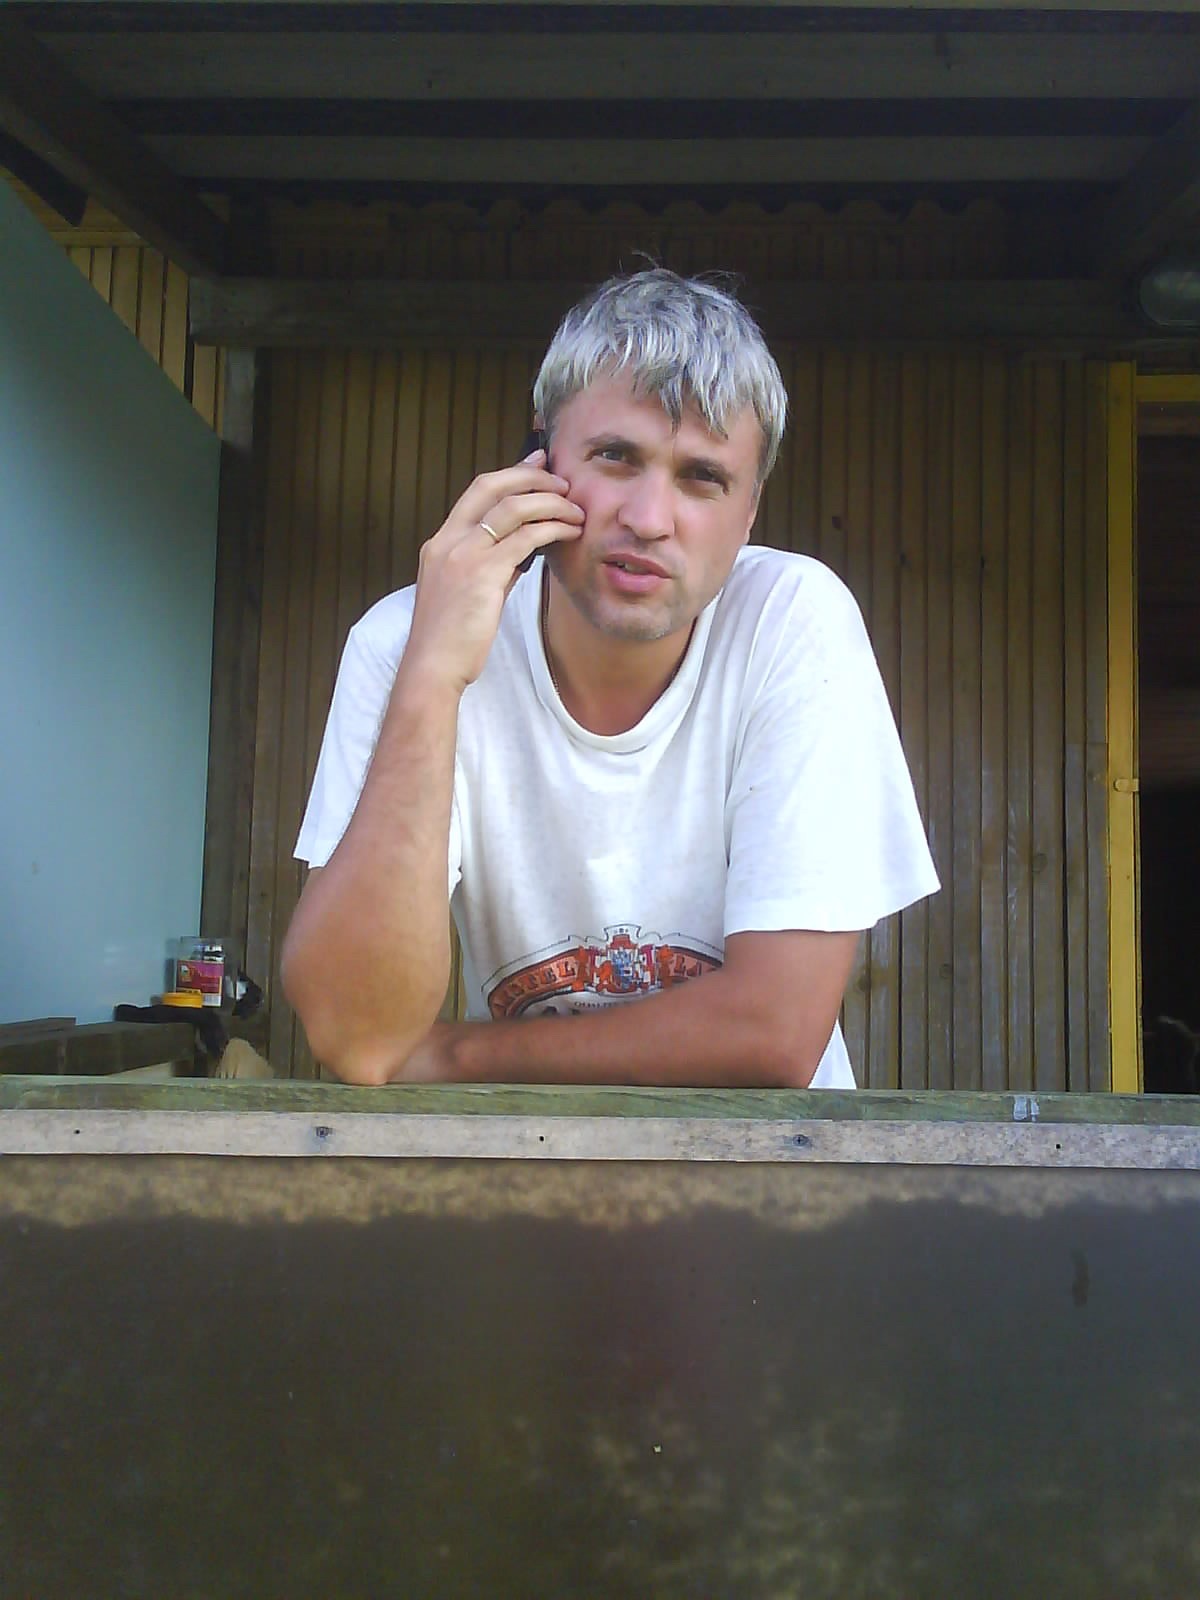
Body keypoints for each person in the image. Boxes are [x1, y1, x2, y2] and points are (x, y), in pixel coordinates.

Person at [283, 269, 938, 1088]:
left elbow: (774, 1033)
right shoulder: (406, 640)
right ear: (540, 458)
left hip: (771, 1166)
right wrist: (432, 681)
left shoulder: (792, 618)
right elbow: (354, 1032)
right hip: (531, 1161)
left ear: (749, 512)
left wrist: (453, 1054)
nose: (650, 519)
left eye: (702, 477)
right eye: (616, 457)